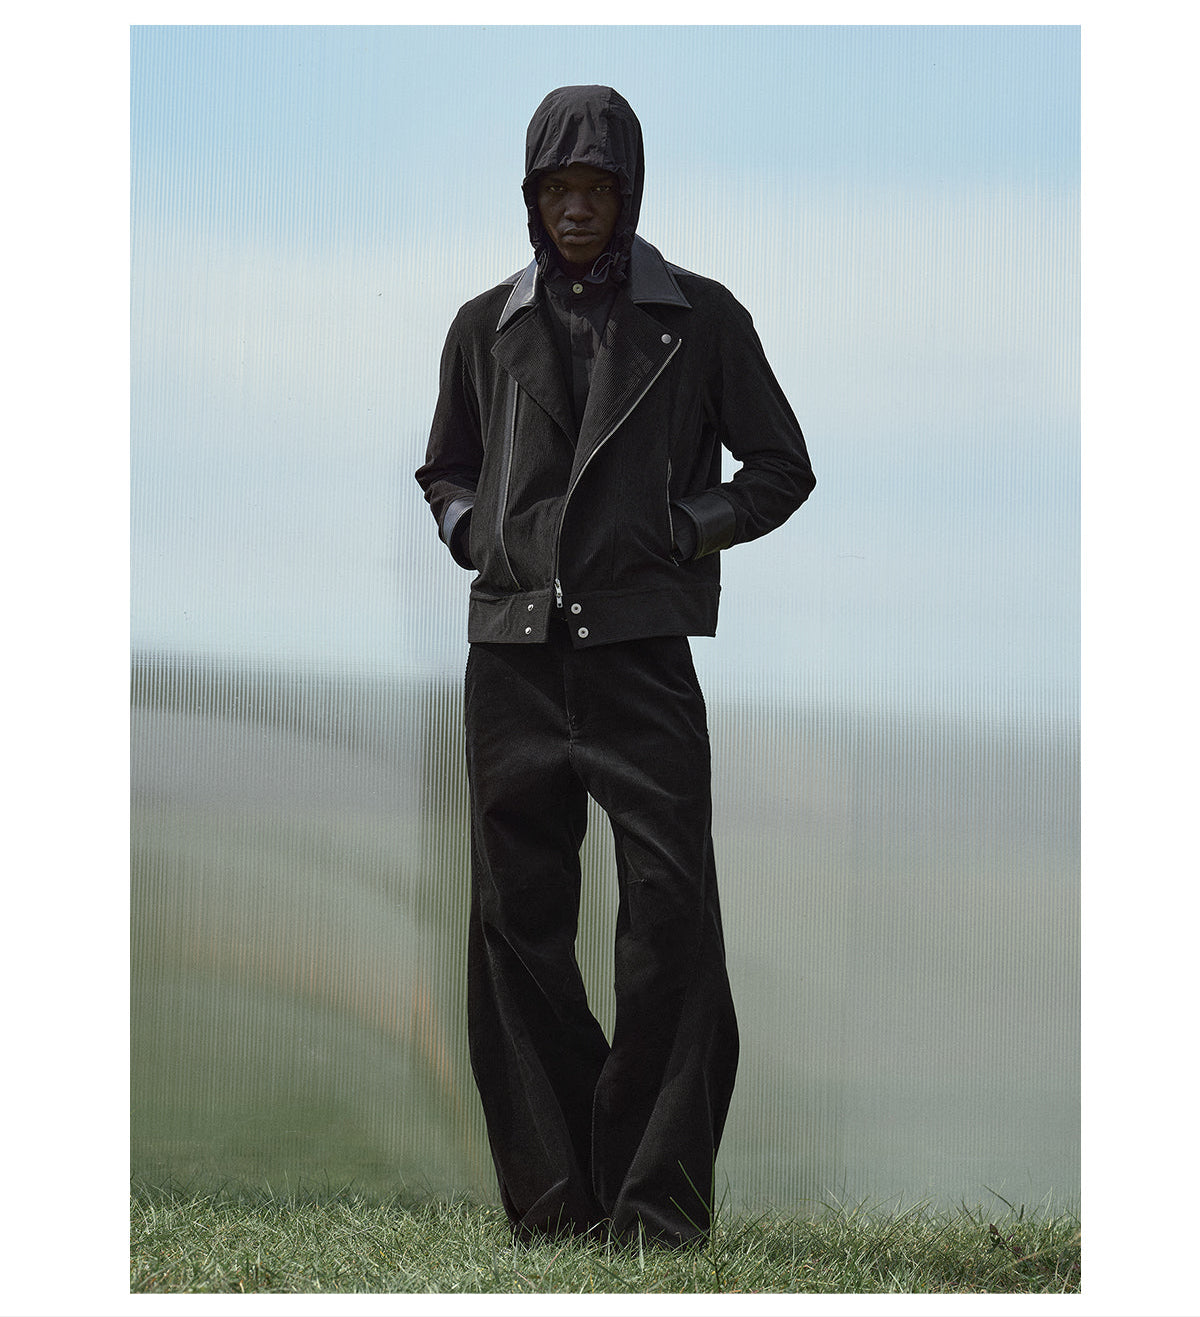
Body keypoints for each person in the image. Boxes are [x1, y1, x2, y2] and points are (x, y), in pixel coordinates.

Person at [416, 85, 815, 1246]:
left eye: (598, 188)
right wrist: (476, 535)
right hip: (513, 663)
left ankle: (654, 1211)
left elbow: (781, 468)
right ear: (532, 198)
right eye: (558, 189)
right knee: (516, 927)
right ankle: (558, 1204)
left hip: (641, 661)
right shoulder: (482, 325)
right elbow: (444, 467)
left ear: (629, 193)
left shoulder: (701, 319)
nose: (578, 208)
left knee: (671, 925)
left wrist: (684, 530)